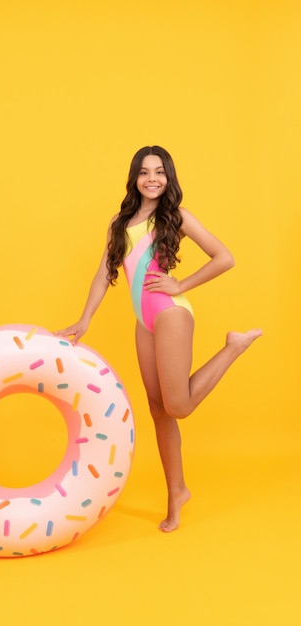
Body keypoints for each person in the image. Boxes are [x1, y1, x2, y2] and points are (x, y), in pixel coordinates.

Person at [55, 145, 262, 532]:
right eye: (145, 172)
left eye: (160, 172)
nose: (153, 179)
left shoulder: (177, 217)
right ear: (134, 178)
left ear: (169, 177)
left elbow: (224, 257)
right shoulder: (119, 222)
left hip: (170, 312)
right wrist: (85, 319)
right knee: (158, 409)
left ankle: (233, 346)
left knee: (178, 405)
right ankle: (177, 492)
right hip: (143, 320)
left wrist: (180, 283)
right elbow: (104, 273)